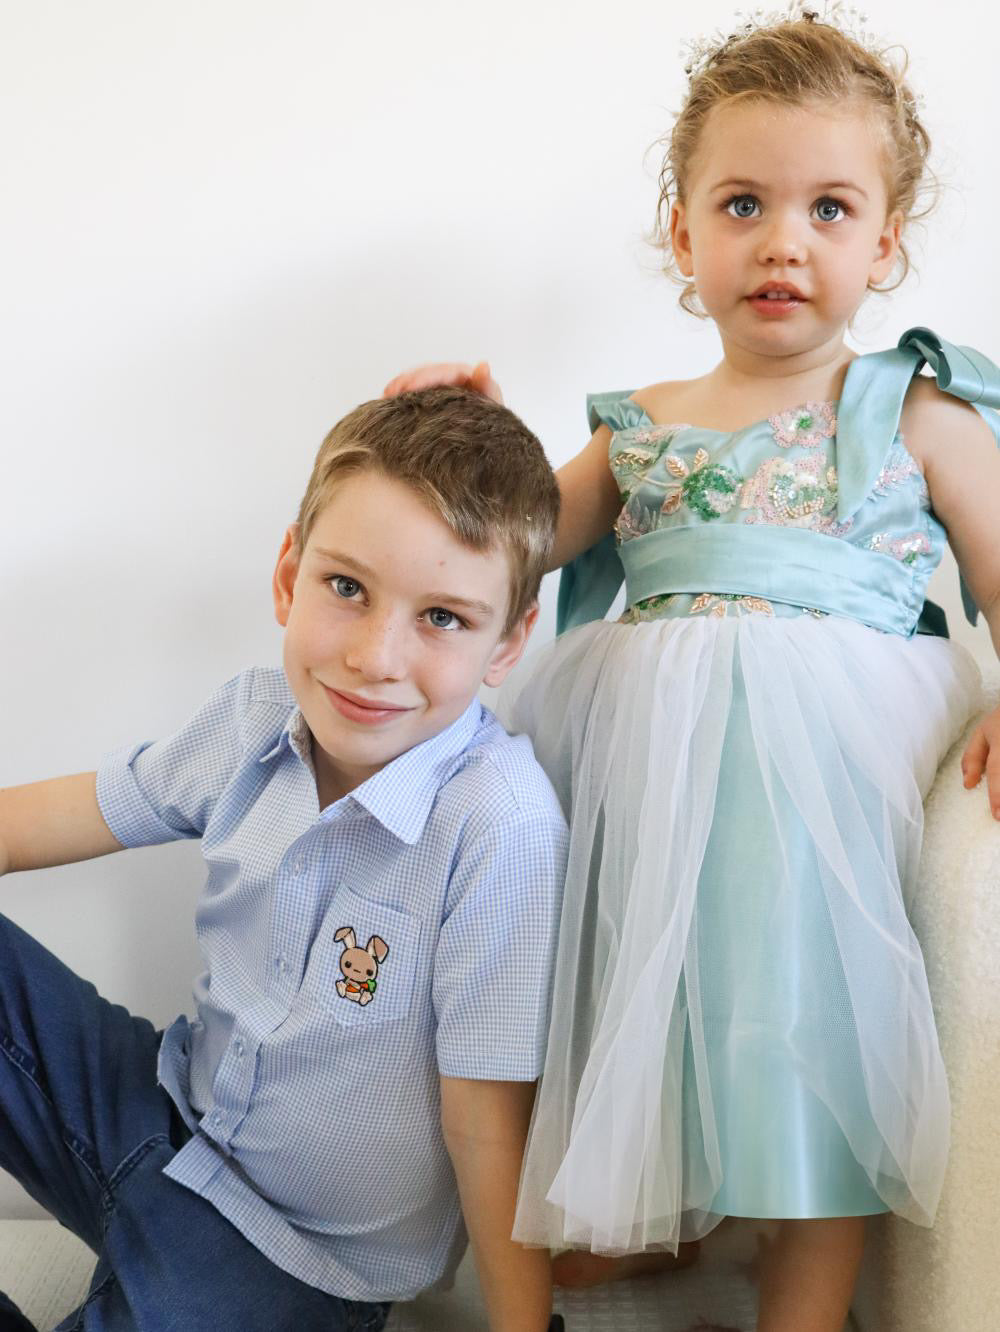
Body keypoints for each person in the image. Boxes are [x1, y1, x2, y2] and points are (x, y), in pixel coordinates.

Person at [384, 9, 1000, 1330]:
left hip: (831, 751)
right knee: (637, 985)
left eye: (831, 208)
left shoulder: (917, 412)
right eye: (743, 203)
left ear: (884, 243)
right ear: (684, 234)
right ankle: (665, 1215)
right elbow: (506, 550)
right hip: (647, 760)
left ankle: (805, 1296)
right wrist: (442, 435)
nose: (785, 238)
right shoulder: (642, 427)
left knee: (802, 1011)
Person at [0, 387, 570, 1332]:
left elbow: (486, 1121)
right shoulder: (255, 715)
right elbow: (70, 813)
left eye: (443, 618)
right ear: (288, 576)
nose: (375, 657)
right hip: (163, 1123)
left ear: (508, 640)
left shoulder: (495, 824)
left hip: (294, 1263)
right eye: (347, 589)